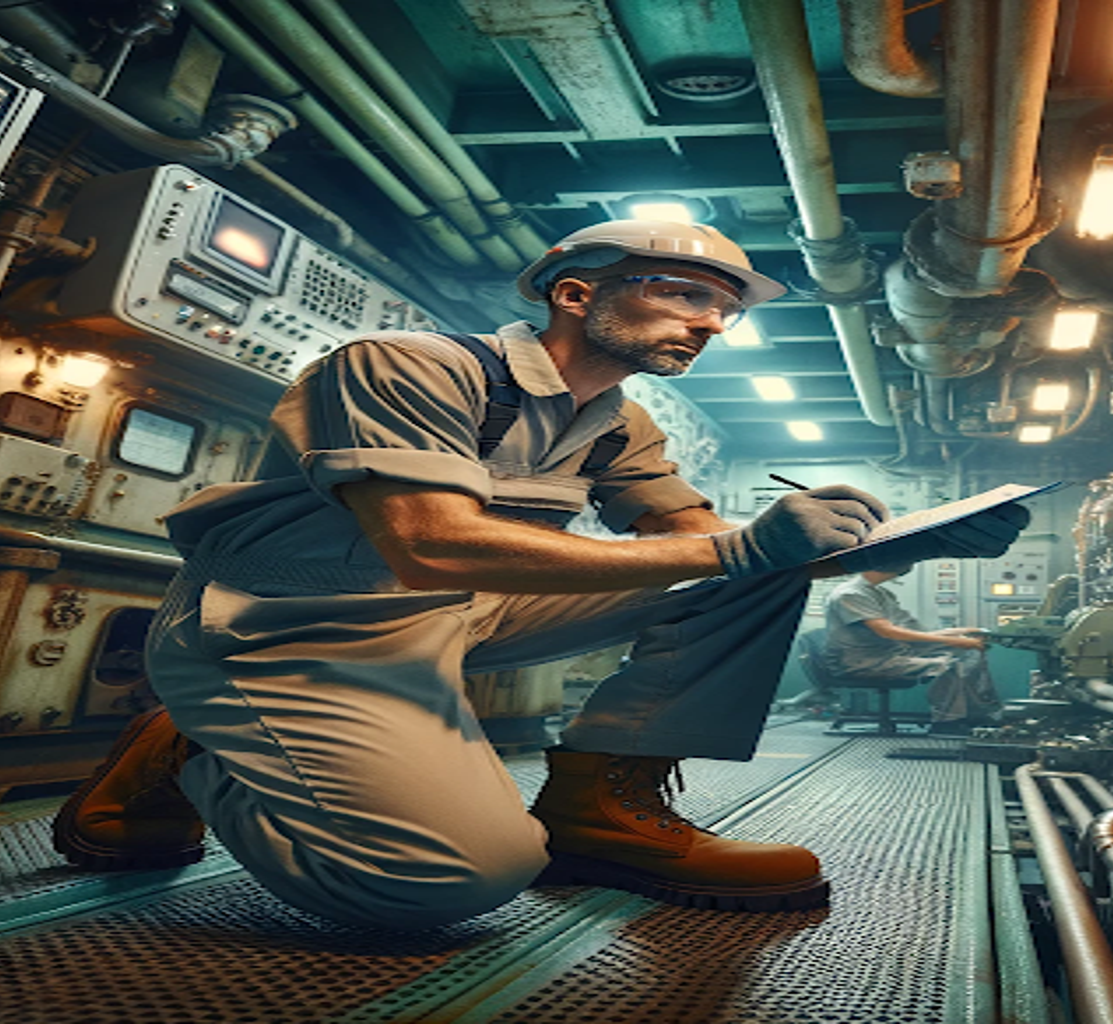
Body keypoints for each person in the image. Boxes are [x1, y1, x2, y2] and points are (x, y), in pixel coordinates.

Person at [51, 220, 1029, 928]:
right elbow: (426, 541)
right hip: (284, 636)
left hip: (449, 621)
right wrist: (739, 546)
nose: (709, 322)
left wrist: (900, 545)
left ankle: (601, 802)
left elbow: (705, 546)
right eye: (684, 294)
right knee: (449, 882)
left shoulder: (619, 423)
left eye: (722, 310)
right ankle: (199, 749)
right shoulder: (403, 366)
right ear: (575, 293)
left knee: (744, 573)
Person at [821, 566, 1002, 733]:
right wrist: (953, 640)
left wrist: (962, 632)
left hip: (892, 653)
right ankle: (946, 723)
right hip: (863, 662)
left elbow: (914, 633)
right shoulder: (850, 594)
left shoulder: (880, 593)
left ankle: (977, 715)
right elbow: (887, 631)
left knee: (970, 652)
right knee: (947, 664)